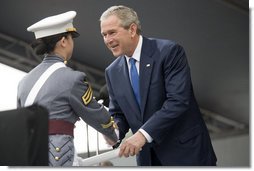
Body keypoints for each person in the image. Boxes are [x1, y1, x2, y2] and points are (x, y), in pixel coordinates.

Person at [99, 5, 217, 166]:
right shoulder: (112, 71)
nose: (107, 40)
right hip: (149, 160)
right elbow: (119, 113)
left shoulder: (169, 52)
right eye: (104, 35)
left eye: (112, 32)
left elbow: (178, 101)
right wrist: (114, 132)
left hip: (187, 155)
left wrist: (142, 135)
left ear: (132, 30)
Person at [17, 11, 118, 166]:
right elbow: (94, 112)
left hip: (28, 155)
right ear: (64, 41)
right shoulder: (72, 78)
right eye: (71, 38)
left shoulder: (24, 81)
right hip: (57, 154)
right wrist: (113, 134)